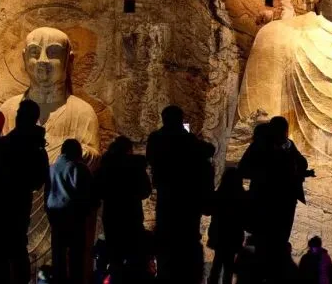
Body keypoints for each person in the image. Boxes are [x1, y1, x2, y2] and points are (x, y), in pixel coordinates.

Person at [0, 98, 50, 283]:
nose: (17, 116)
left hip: (8, 200)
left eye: (20, 113)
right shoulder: (33, 143)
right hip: (18, 199)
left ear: (27, 117)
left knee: (9, 247)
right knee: (15, 246)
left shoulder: (24, 142)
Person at [147, 105, 213, 284]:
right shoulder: (188, 140)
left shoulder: (156, 138)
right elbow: (209, 150)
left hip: (167, 198)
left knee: (166, 244)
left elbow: (151, 159)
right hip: (187, 200)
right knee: (186, 244)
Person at [239, 116, 313, 257]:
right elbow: (243, 169)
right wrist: (267, 173)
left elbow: (302, 162)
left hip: (285, 201)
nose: (284, 134)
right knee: (264, 242)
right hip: (265, 200)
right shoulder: (260, 146)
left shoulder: (288, 145)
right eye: (281, 131)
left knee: (280, 241)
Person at [94, 136, 151, 282]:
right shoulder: (135, 166)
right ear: (129, 150)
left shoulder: (106, 166)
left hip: (112, 216)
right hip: (132, 215)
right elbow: (145, 191)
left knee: (115, 260)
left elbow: (97, 190)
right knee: (134, 258)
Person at [46, 138, 93, 284]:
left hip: (56, 218)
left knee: (58, 257)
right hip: (75, 219)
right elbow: (88, 195)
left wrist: (49, 214)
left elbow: (47, 195)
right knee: (76, 259)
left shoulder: (51, 169)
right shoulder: (80, 169)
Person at [208, 167, 248, 284]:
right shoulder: (242, 198)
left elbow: (209, 210)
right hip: (234, 236)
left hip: (219, 234)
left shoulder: (219, 195)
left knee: (217, 263)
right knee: (229, 267)